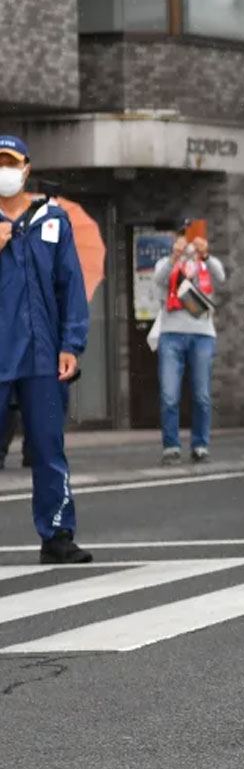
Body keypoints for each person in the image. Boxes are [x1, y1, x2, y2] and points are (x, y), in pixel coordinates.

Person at [0, 134, 91, 565]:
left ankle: (57, 536)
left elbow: (70, 284)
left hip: (42, 352)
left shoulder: (52, 219)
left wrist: (70, 343)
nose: (4, 170)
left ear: (26, 168)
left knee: (48, 447)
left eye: (10, 162)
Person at [153, 231, 226, 463]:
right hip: (171, 334)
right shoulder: (165, 264)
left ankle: (200, 445)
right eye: (180, 245)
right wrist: (174, 259)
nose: (186, 249)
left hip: (202, 334)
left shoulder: (204, 265)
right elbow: (158, 280)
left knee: (202, 394)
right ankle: (171, 446)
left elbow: (221, 276)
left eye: (189, 245)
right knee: (169, 394)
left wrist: (206, 255)